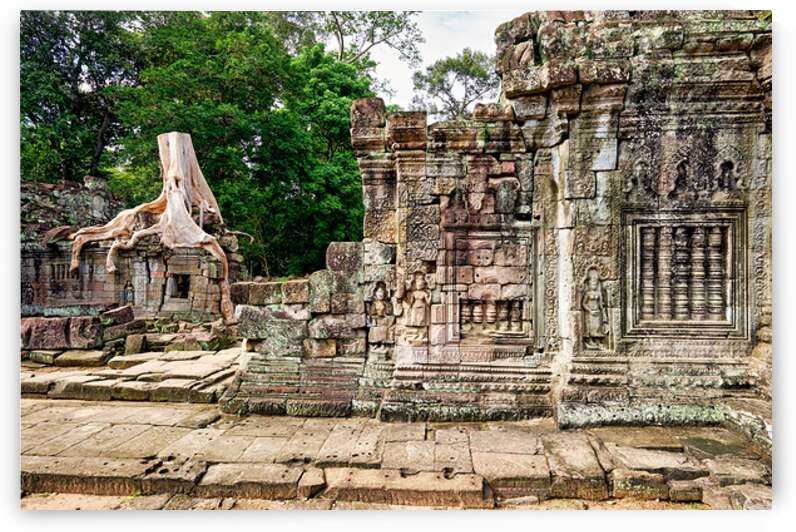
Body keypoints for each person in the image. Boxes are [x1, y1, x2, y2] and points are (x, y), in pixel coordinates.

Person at [581, 268, 608, 349]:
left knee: (597, 328)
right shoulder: (587, 293)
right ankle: (590, 341)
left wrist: (604, 315)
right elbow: (583, 303)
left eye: (595, 284)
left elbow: (601, 305)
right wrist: (589, 311)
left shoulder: (599, 293)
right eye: (592, 284)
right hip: (590, 312)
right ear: (589, 285)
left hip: (597, 312)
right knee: (590, 328)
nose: (594, 286)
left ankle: (597, 341)